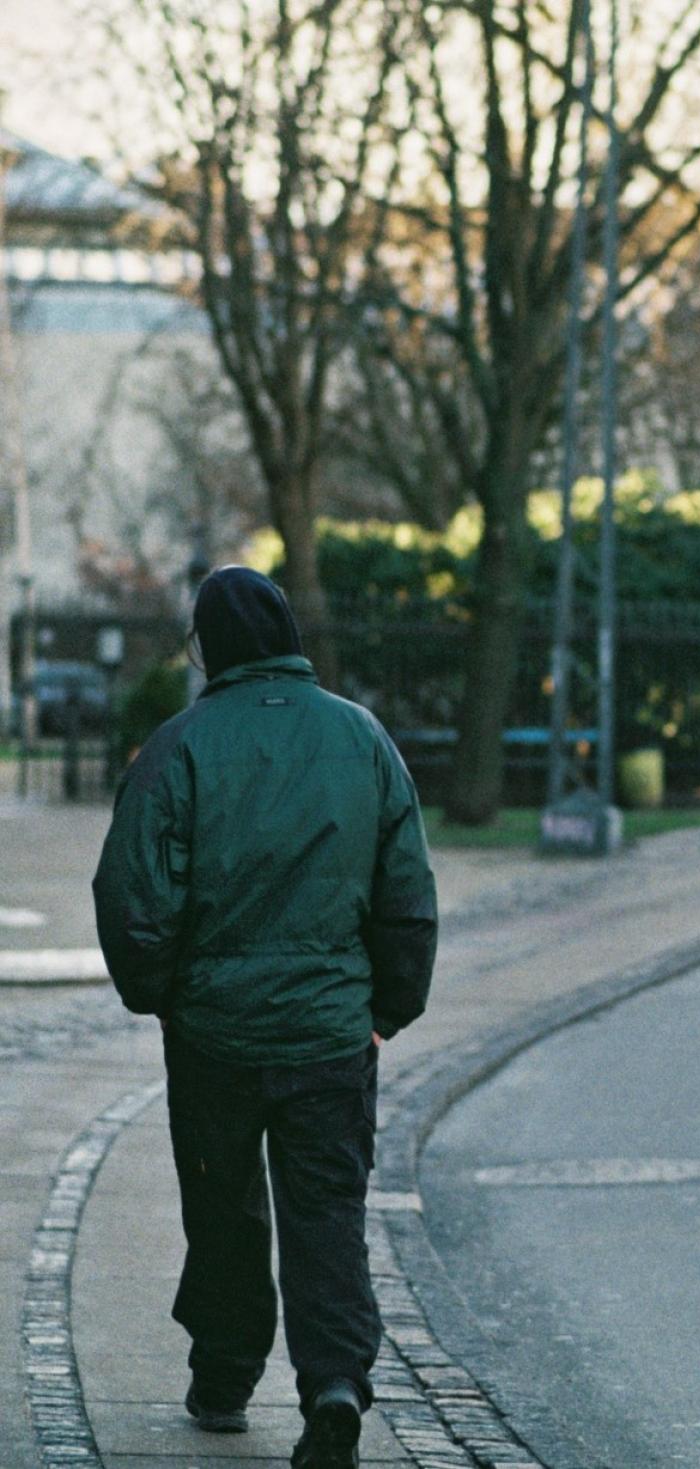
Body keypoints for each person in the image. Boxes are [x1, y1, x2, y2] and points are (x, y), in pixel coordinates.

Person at [92, 567, 437, 1469]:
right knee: (328, 1213)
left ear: (209, 648)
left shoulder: (179, 746)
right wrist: (386, 1010)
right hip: (328, 1034)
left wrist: (162, 991)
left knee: (223, 1209)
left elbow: (131, 894)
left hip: (214, 1036)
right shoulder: (361, 739)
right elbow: (407, 892)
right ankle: (333, 1384)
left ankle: (223, 1374)